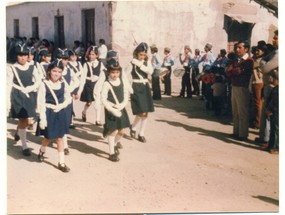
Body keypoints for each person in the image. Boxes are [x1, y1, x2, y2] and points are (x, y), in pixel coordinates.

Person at [36, 59, 72, 172]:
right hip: (48, 113)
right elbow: (40, 102)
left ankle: (61, 162)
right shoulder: (44, 84)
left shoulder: (63, 83)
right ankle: (42, 150)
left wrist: (62, 106)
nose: (56, 74)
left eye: (59, 71)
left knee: (60, 138)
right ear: (49, 71)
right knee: (48, 137)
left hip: (59, 112)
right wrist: (42, 118)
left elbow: (68, 97)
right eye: (54, 71)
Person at [6, 43, 41, 156]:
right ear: (16, 56)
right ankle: (24, 146)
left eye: (25, 55)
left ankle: (19, 131)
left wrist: (31, 88)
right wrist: (7, 102)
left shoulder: (32, 67)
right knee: (23, 120)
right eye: (20, 55)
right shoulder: (12, 68)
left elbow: (38, 81)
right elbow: (8, 84)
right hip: (18, 95)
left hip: (29, 94)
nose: (23, 58)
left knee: (28, 120)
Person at [101, 59, 130, 161]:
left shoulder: (121, 81)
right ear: (109, 72)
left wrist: (122, 105)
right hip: (111, 109)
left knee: (121, 131)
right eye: (113, 72)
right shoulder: (107, 84)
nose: (115, 74)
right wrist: (111, 109)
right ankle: (111, 152)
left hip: (120, 108)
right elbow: (103, 99)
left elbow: (126, 94)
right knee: (113, 131)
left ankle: (116, 143)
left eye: (117, 72)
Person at [125, 42, 154, 143]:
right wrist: (128, 88)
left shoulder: (147, 62)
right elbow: (124, 76)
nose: (142, 57)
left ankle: (140, 133)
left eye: (144, 55)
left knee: (145, 112)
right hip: (136, 87)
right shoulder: (131, 63)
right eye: (140, 54)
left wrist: (141, 65)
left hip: (145, 87)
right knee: (141, 111)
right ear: (136, 53)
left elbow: (150, 72)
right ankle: (134, 127)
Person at [226, 40, 253, 141]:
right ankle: (236, 131)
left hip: (242, 87)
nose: (237, 49)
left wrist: (233, 70)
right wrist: (233, 70)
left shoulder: (249, 61)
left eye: (239, 48)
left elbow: (237, 71)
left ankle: (243, 134)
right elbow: (228, 71)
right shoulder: (237, 60)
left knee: (242, 111)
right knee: (235, 111)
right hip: (235, 85)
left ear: (246, 49)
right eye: (236, 47)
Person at [255, 30, 279, 147]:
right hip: (268, 84)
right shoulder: (274, 52)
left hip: (273, 86)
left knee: (271, 115)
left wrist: (269, 67)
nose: (273, 40)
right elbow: (263, 61)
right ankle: (265, 138)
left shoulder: (279, 55)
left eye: (276, 38)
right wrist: (271, 68)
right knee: (266, 113)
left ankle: (270, 141)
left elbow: (264, 68)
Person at [78, 46, 106, 125]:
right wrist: (80, 91)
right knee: (89, 102)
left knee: (98, 101)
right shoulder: (86, 64)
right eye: (90, 54)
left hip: (97, 84)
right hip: (88, 84)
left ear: (97, 55)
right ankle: (84, 112)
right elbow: (83, 77)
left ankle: (97, 120)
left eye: (93, 54)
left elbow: (104, 74)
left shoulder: (100, 64)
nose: (91, 56)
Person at [249, 41, 265, 129]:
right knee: (257, 103)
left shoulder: (260, 60)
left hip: (258, 82)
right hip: (257, 81)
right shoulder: (259, 59)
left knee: (257, 103)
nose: (256, 52)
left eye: (258, 50)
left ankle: (257, 122)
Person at [264, 70, 278, 154]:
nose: (273, 81)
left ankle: (276, 147)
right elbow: (270, 100)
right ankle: (271, 145)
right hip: (272, 111)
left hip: (276, 112)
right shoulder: (275, 89)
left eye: (275, 79)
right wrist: (267, 108)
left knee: (276, 130)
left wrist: (271, 109)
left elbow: (276, 102)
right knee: (273, 129)